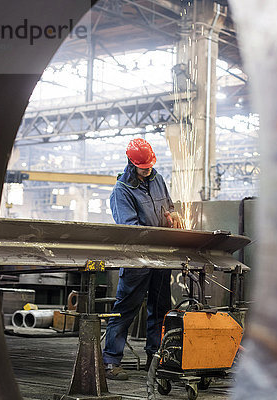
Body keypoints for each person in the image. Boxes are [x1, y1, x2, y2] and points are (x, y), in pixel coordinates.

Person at [102, 138, 181, 380]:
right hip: (137, 259)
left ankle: (155, 359)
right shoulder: (122, 190)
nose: (147, 171)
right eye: (142, 167)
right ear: (131, 163)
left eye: (149, 166)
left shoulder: (157, 178)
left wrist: (173, 213)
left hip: (161, 258)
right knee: (126, 309)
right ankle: (110, 361)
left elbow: (168, 204)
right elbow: (130, 229)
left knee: (160, 309)